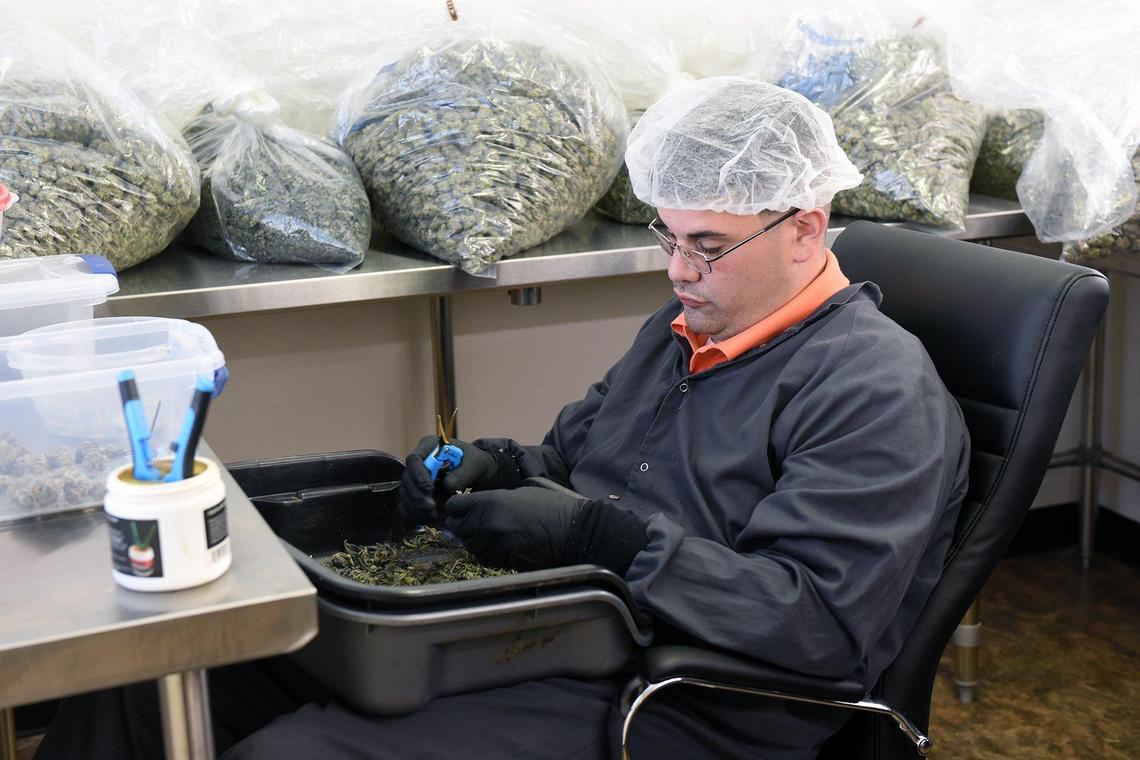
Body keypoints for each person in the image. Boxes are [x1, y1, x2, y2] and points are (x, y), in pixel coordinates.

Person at [36, 77, 968, 760]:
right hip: (567, 624)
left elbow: (815, 626)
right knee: (160, 677)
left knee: (298, 755)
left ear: (806, 226)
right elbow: (571, 457)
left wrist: (609, 541)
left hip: (686, 694)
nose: (679, 272)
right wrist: (491, 467)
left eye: (709, 248)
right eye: (668, 238)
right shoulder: (684, 330)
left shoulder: (874, 393)